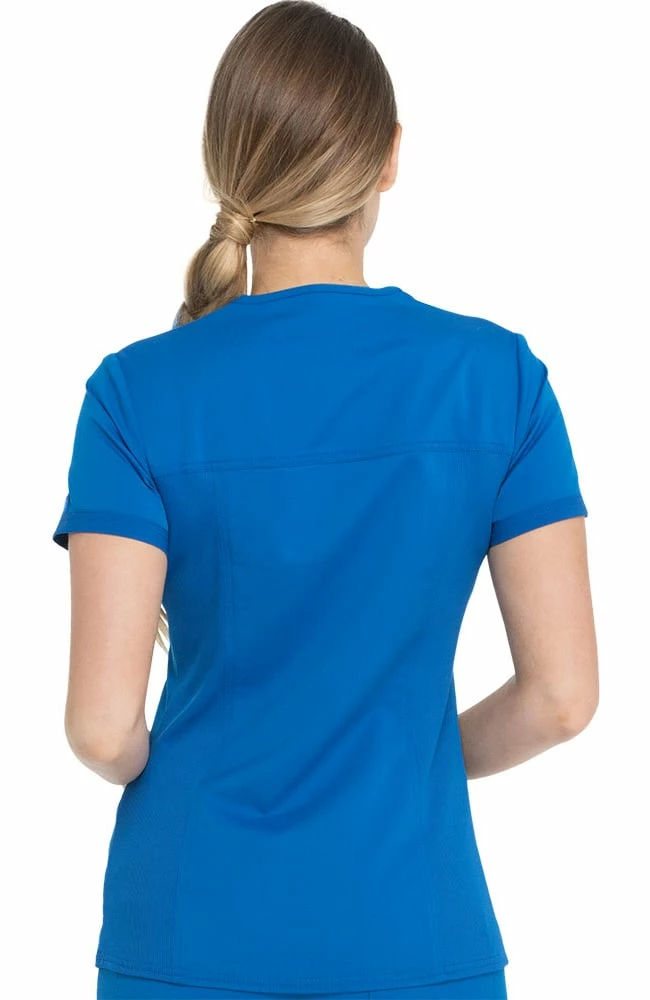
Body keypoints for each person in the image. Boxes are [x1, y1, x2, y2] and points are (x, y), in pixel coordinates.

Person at [51, 3, 599, 999]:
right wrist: (412, 761)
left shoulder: (134, 394)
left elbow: (100, 728)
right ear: (387, 158)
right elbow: (561, 699)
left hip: (187, 936)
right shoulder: (498, 381)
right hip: (416, 937)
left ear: (227, 165)